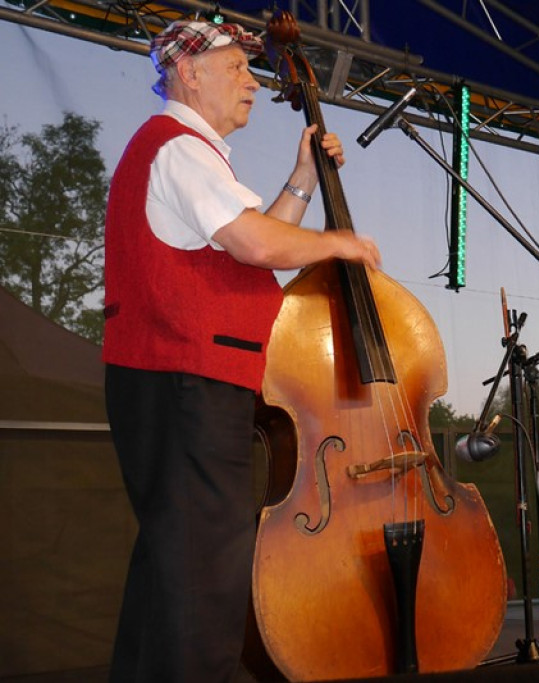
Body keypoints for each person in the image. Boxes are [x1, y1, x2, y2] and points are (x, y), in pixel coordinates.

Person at [102, 20, 381, 683]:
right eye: (235, 68)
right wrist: (339, 244)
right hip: (183, 379)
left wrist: (304, 178)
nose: (251, 81)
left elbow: (253, 244)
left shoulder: (186, 152)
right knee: (204, 573)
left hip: (178, 380)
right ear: (189, 73)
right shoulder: (178, 147)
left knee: (174, 566)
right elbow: (256, 244)